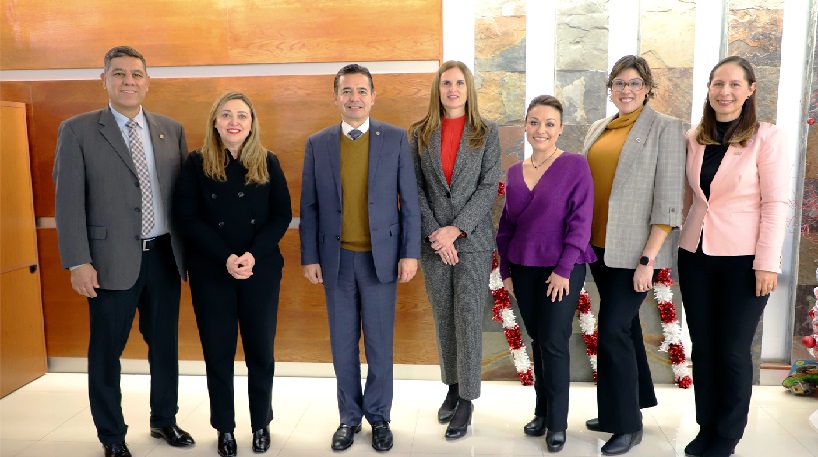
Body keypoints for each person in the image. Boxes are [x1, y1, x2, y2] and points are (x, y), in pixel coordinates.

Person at [52, 46, 194, 457]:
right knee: (106, 350)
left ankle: (164, 420)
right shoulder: (77, 130)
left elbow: (184, 198)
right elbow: (68, 203)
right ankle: (112, 436)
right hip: (108, 261)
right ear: (105, 80)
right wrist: (78, 261)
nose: (128, 81)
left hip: (165, 256)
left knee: (164, 346)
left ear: (147, 81)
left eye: (136, 74)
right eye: (119, 74)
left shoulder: (171, 130)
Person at [299, 64, 421, 452]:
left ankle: (379, 417)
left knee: (380, 345)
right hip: (336, 261)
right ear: (336, 97)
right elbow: (309, 206)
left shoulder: (396, 139)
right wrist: (309, 256)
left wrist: (410, 253)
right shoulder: (318, 143)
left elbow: (410, 203)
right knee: (343, 345)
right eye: (347, 91)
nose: (354, 98)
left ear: (373, 96)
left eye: (361, 91)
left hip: (381, 260)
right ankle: (348, 418)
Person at [678, 56, 789, 457]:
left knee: (732, 349)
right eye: (718, 84)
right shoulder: (695, 137)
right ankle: (706, 427)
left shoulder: (767, 137)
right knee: (704, 348)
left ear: (750, 89)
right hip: (695, 255)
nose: (724, 92)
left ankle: (727, 435)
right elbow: (691, 197)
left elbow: (775, 203)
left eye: (734, 84)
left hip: (745, 260)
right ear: (709, 89)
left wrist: (767, 263)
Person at [174, 91, 292, 456]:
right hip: (212, 271)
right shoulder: (197, 162)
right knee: (218, 353)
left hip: (260, 270)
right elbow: (187, 218)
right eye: (226, 114)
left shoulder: (268, 161)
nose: (234, 121)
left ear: (252, 123)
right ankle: (225, 428)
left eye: (242, 115)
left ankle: (261, 424)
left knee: (261, 351)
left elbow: (281, 215)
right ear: (215, 121)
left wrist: (252, 256)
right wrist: (225, 257)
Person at [580, 55, 685, 455]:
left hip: (637, 253)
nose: (626, 90)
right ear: (611, 89)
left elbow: (669, 201)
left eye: (634, 83)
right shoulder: (598, 128)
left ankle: (626, 425)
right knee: (623, 328)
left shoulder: (665, 128)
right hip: (599, 248)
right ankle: (629, 402)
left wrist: (648, 259)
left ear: (647, 89)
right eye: (619, 83)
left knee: (611, 330)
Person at [496, 95, 596, 453]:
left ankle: (557, 423)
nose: (541, 130)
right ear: (526, 125)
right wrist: (506, 270)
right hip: (523, 268)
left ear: (560, 129)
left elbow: (581, 222)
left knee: (553, 342)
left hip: (562, 270)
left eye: (550, 123)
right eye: (535, 122)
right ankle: (541, 411)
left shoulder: (575, 165)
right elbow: (506, 226)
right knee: (538, 340)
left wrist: (564, 269)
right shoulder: (513, 172)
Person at [409, 60, 501, 440]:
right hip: (433, 244)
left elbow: (488, 185)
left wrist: (456, 229)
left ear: (468, 89)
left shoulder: (486, 132)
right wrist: (437, 233)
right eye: (446, 83)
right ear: (438, 89)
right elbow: (413, 188)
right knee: (444, 318)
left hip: (472, 242)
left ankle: (467, 399)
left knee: (467, 317)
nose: (452, 89)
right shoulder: (419, 133)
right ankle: (451, 386)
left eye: (459, 83)